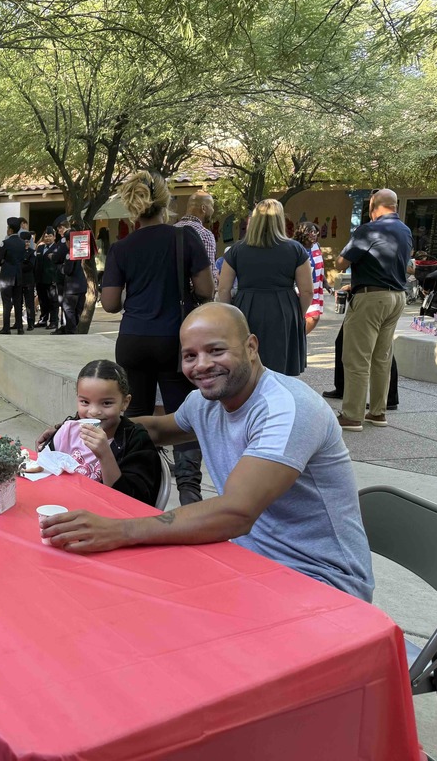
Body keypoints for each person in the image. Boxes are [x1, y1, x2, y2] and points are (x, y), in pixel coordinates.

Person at [40, 303, 374, 603]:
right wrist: (77, 427)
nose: (202, 365)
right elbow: (155, 429)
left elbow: (235, 513)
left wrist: (119, 530)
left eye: (216, 350)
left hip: (320, 581)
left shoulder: (286, 409)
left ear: (251, 347)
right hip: (242, 559)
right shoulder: (204, 403)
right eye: (190, 356)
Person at [101, 171, 213, 505]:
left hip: (133, 339)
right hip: (173, 340)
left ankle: (138, 488)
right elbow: (206, 291)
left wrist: (136, 293)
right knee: (183, 414)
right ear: (167, 202)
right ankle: (189, 489)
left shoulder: (122, 247)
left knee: (135, 415)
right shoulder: (185, 238)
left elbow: (110, 303)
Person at [334, 188, 411, 431]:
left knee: (357, 358)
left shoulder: (368, 229)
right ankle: (378, 412)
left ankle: (352, 415)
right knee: (382, 358)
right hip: (397, 297)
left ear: (372, 206)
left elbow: (341, 262)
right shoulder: (405, 230)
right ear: (395, 206)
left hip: (371, 298)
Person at [44, 360, 162, 506]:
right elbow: (44, 472)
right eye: (85, 402)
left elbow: (132, 504)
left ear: (125, 402)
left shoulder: (136, 441)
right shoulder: (68, 431)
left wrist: (105, 454)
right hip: (64, 507)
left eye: (106, 403)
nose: (93, 412)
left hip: (106, 516)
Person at [217, 199, 312, 376]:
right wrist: (297, 314)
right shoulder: (296, 249)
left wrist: (230, 315)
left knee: (246, 364)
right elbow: (307, 291)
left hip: (246, 308)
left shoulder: (236, 250)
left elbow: (223, 289)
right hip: (284, 309)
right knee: (280, 368)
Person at [54, 220, 90, 335]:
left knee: (69, 311)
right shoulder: (81, 251)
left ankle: (71, 332)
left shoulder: (70, 254)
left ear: (69, 241)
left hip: (72, 288)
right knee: (78, 311)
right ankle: (76, 331)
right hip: (82, 286)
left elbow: (68, 271)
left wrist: (61, 267)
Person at [174, 191, 217, 282]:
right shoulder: (205, 234)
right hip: (193, 289)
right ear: (203, 208)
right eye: (212, 206)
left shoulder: (172, 230)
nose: (213, 210)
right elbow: (209, 276)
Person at [0, 217, 26, 335]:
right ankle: (20, 327)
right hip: (18, 275)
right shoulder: (22, 242)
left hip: (7, 276)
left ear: (10, 229)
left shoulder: (5, 243)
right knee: (18, 302)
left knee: (6, 303)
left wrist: (4, 262)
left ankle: (6, 328)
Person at [293, 222, 324, 334]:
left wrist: (326, 285)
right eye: (311, 232)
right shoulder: (295, 247)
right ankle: (296, 339)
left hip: (315, 289)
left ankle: (298, 338)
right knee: (303, 317)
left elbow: (320, 267)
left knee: (313, 317)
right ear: (302, 233)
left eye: (316, 232)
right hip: (299, 289)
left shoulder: (316, 246)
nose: (314, 234)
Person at [34, 227, 60, 330]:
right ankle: (43, 320)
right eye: (46, 236)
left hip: (51, 280)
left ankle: (54, 321)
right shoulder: (40, 248)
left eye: (50, 236)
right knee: (42, 301)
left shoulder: (57, 248)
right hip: (40, 280)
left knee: (53, 302)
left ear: (54, 237)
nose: (47, 238)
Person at [19, 230, 37, 330]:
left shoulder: (32, 252)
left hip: (28, 281)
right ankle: (18, 322)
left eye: (28, 241)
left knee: (29, 303)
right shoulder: (18, 252)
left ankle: (31, 322)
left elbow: (30, 265)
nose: (26, 243)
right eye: (24, 241)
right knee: (18, 303)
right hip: (19, 280)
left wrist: (21, 265)